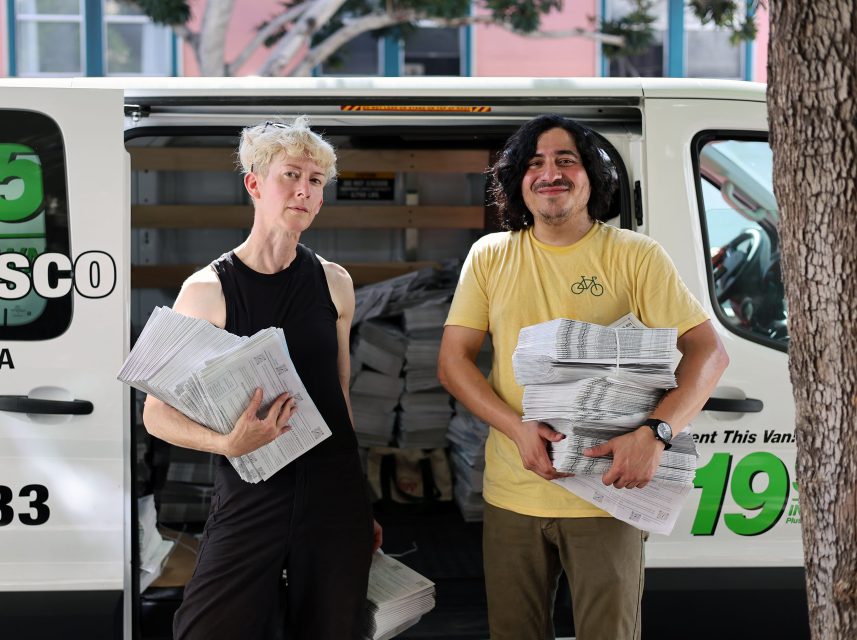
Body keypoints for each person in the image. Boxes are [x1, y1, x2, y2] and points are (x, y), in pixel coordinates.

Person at [438, 114, 729, 640]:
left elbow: (708, 353)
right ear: (516, 182)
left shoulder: (634, 255)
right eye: (534, 163)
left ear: (591, 177)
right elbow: (454, 361)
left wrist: (656, 434)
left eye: (565, 160)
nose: (550, 173)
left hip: (609, 493)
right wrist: (515, 427)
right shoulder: (490, 256)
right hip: (514, 491)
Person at [143, 117, 382, 640]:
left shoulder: (335, 282)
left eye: (316, 180)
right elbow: (156, 413)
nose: (304, 189)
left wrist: (358, 503)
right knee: (208, 629)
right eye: (290, 174)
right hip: (253, 489)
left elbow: (337, 396)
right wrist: (226, 441)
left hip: (333, 492)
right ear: (254, 184)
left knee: (333, 629)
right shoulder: (208, 289)